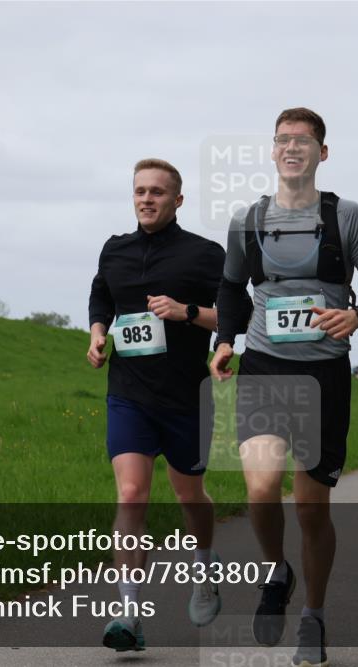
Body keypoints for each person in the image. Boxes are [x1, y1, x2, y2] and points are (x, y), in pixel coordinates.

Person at [211, 107, 358, 667]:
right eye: (283, 139)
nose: (292, 147)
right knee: (261, 487)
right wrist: (225, 340)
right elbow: (229, 291)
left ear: (323, 152)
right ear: (272, 151)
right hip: (266, 368)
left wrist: (357, 317)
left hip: (325, 376)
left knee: (312, 508)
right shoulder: (248, 220)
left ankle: (313, 617)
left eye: (304, 140)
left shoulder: (347, 217)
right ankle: (276, 571)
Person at [88, 159, 226, 651]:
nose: (147, 199)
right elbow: (101, 296)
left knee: (191, 496)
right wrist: (98, 334)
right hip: (129, 395)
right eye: (140, 192)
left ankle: (205, 571)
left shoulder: (205, 255)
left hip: (186, 396)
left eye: (158, 193)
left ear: (178, 200)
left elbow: (235, 315)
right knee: (130, 495)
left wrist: (186, 313)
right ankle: (128, 613)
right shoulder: (115, 249)